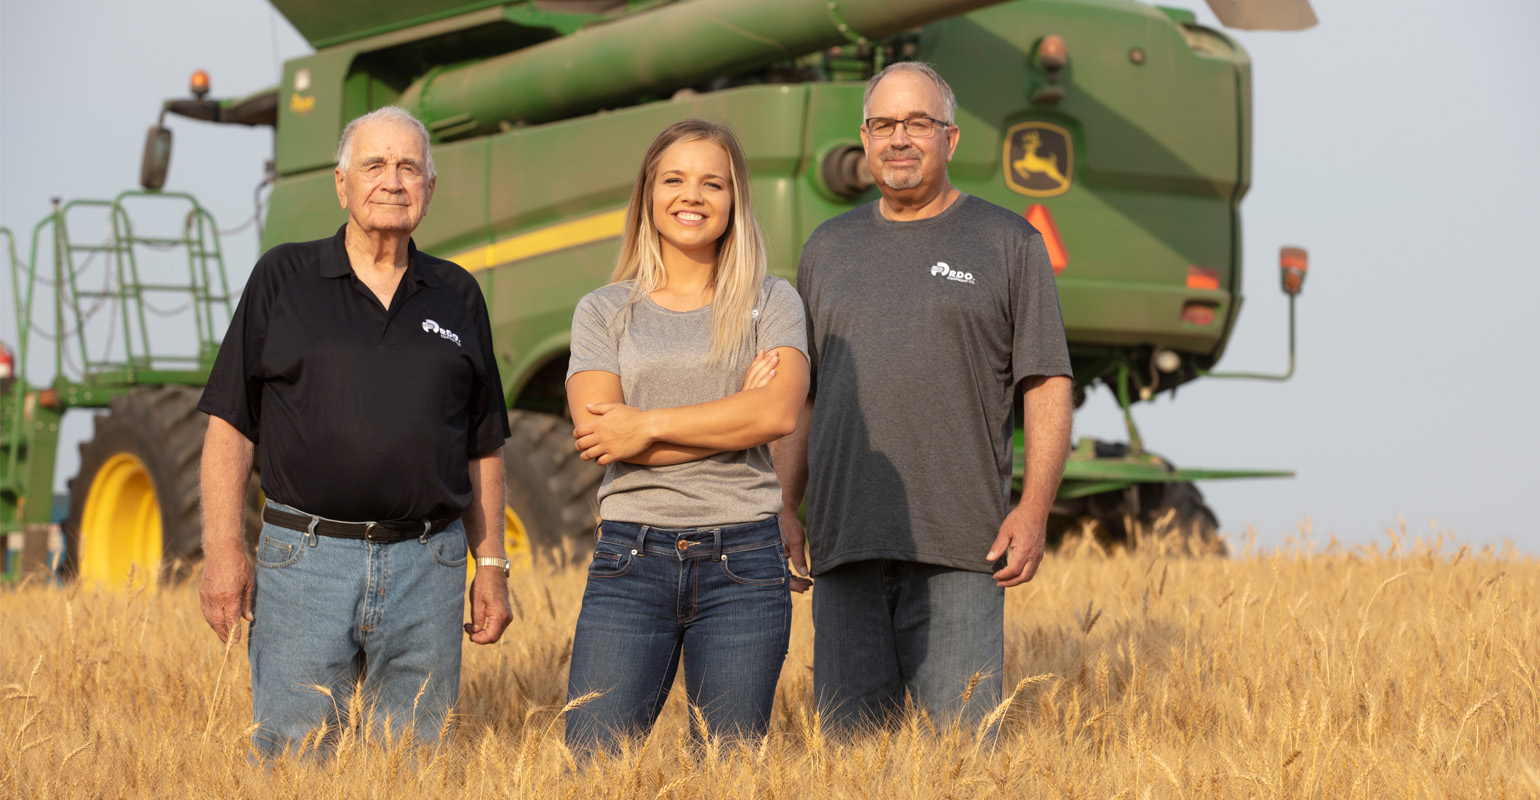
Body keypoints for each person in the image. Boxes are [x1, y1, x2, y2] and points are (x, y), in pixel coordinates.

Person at [197, 106, 514, 758]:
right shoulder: (282, 279)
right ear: (342, 184)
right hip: (305, 561)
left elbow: (483, 444)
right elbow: (230, 423)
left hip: (429, 566)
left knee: (413, 763)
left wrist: (492, 566)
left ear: (429, 187)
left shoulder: (458, 295)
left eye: (409, 167)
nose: (392, 181)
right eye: (374, 164)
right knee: (293, 758)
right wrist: (223, 547)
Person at [771, 62, 1075, 735]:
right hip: (845, 546)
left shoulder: (1008, 243)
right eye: (884, 125)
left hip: (963, 550)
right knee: (852, 767)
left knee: (961, 764)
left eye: (917, 123)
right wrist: (784, 506)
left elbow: (1046, 382)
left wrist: (1034, 508)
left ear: (951, 138)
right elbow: (802, 397)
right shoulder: (827, 249)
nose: (899, 139)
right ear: (864, 137)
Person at [562, 119, 811, 753]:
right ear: (648, 193)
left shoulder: (772, 301)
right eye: (674, 179)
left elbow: (779, 415)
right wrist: (737, 413)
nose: (692, 196)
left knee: (728, 773)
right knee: (594, 766)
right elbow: (597, 437)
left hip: (747, 562)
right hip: (629, 558)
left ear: (736, 200)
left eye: (713, 183)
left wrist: (642, 425)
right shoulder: (603, 310)